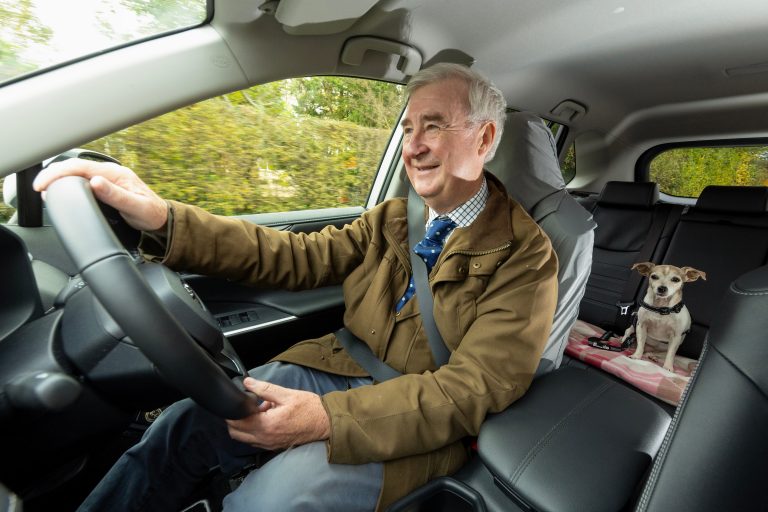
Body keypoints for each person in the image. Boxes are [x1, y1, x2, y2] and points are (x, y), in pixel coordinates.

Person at [34, 63, 558, 511]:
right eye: (408, 128)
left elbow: (470, 391)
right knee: (183, 424)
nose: (413, 146)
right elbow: (290, 256)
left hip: (420, 425)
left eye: (435, 126)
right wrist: (163, 219)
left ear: (485, 139)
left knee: (273, 501)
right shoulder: (395, 218)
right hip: (336, 368)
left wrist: (323, 419)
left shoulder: (527, 257)